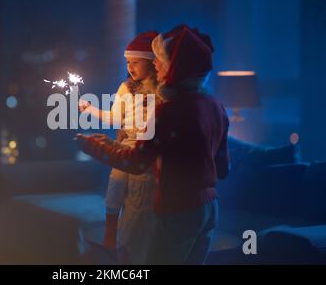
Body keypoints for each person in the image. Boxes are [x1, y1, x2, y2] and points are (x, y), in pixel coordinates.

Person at [76, 24, 230, 264]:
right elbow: (222, 168)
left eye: (160, 60)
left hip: (178, 210)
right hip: (210, 210)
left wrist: (93, 147)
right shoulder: (216, 106)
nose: (156, 65)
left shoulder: (167, 111)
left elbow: (136, 164)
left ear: (174, 68)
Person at [79, 31, 162, 264]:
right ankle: (110, 233)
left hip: (152, 146)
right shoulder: (126, 88)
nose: (131, 67)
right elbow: (115, 119)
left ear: (152, 63)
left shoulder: (163, 90)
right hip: (128, 143)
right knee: (116, 179)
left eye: (135, 62)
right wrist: (89, 109)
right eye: (128, 63)